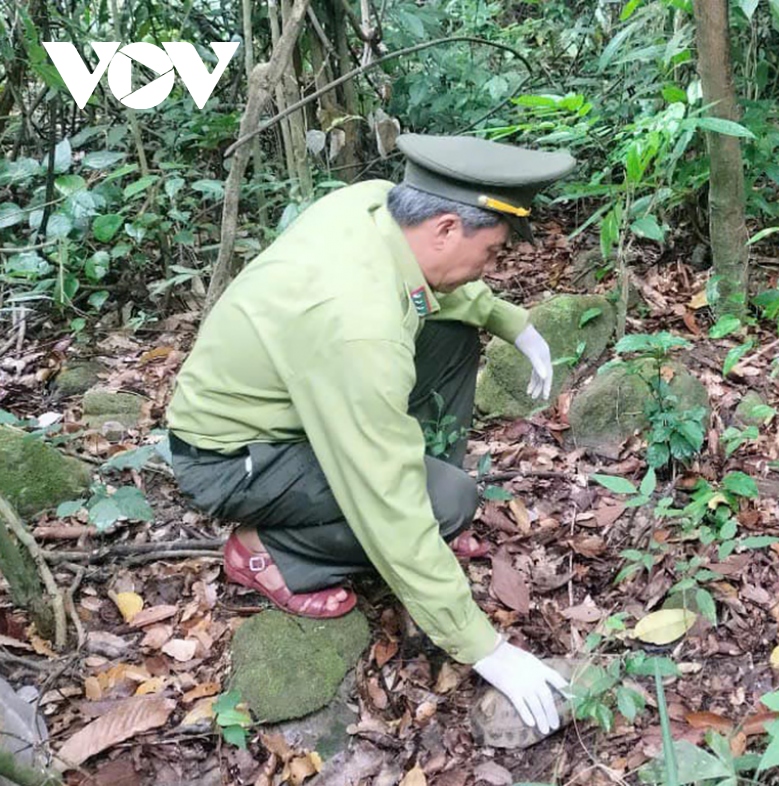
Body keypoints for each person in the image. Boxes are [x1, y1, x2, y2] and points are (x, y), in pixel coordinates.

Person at [165, 134, 576, 735]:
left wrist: (508, 321)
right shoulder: (359, 324)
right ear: (442, 229)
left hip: (299, 403)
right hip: (232, 458)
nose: (491, 267)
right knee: (444, 501)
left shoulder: (375, 203)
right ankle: (271, 552)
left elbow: (439, 294)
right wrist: (484, 647)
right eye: (490, 253)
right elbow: (385, 493)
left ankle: (436, 508)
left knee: (451, 335)